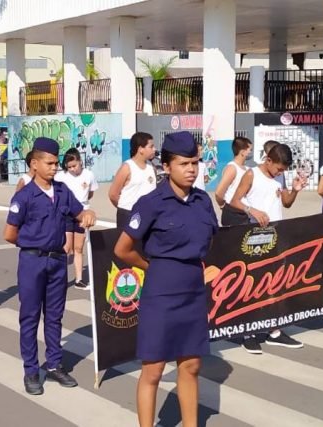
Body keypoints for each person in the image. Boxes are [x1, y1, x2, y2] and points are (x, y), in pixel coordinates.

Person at [113, 131, 218, 427]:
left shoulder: (202, 201)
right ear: (167, 166)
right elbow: (123, 249)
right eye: (184, 163)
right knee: (154, 370)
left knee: (192, 365)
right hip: (160, 290)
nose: (191, 169)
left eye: (195, 163)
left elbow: (210, 241)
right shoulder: (151, 202)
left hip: (193, 290)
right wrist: (151, 266)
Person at [3, 137, 97, 395]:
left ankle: (54, 364)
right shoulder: (24, 196)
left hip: (57, 261)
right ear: (34, 164)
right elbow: (9, 234)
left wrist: (89, 215)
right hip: (32, 260)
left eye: (57, 163)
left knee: (54, 316)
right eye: (50, 163)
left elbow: (81, 213)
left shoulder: (63, 191)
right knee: (30, 317)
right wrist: (35, 243)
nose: (55, 168)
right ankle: (31, 370)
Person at [229, 143, 308, 354]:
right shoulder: (251, 174)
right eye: (279, 169)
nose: (280, 173)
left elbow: (286, 202)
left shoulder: (278, 177)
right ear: (269, 160)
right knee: (252, 283)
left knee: (275, 283)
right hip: (255, 236)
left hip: (276, 234)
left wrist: (295, 190)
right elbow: (234, 200)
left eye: (283, 170)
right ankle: (249, 332)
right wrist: (251, 210)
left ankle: (274, 331)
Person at [55, 148, 98, 289]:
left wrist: (84, 206)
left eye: (75, 165)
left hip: (82, 213)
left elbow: (90, 193)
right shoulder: (61, 176)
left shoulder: (89, 175)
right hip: (66, 214)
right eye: (70, 167)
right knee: (67, 248)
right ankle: (60, 278)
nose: (73, 169)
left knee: (78, 248)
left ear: (80, 161)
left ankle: (79, 279)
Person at [109, 132, 157, 227]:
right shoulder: (127, 167)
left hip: (149, 215)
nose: (154, 149)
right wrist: (126, 208)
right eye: (151, 147)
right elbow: (113, 194)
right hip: (128, 215)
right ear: (140, 149)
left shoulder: (152, 167)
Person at [214, 136, 252, 226]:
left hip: (245, 214)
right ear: (242, 152)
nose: (250, 152)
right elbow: (219, 193)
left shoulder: (247, 169)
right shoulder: (232, 168)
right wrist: (223, 205)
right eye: (249, 149)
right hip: (234, 215)